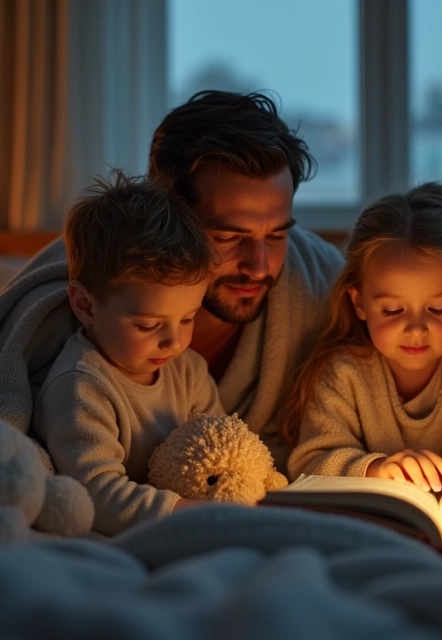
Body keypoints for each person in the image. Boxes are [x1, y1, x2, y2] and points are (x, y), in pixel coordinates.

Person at [148, 90, 346, 474]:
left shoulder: (324, 285)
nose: (258, 267)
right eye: (228, 237)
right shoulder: (94, 278)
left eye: (276, 236)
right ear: (165, 219)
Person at [284, 183, 442, 491]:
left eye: (437, 309)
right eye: (394, 310)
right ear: (359, 303)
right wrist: (376, 469)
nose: (415, 329)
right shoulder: (341, 372)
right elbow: (311, 461)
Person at [32, 171, 223, 536]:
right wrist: (195, 514)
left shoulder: (188, 370)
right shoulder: (80, 387)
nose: (174, 342)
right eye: (149, 326)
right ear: (86, 306)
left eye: (187, 319)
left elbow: (222, 449)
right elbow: (96, 495)